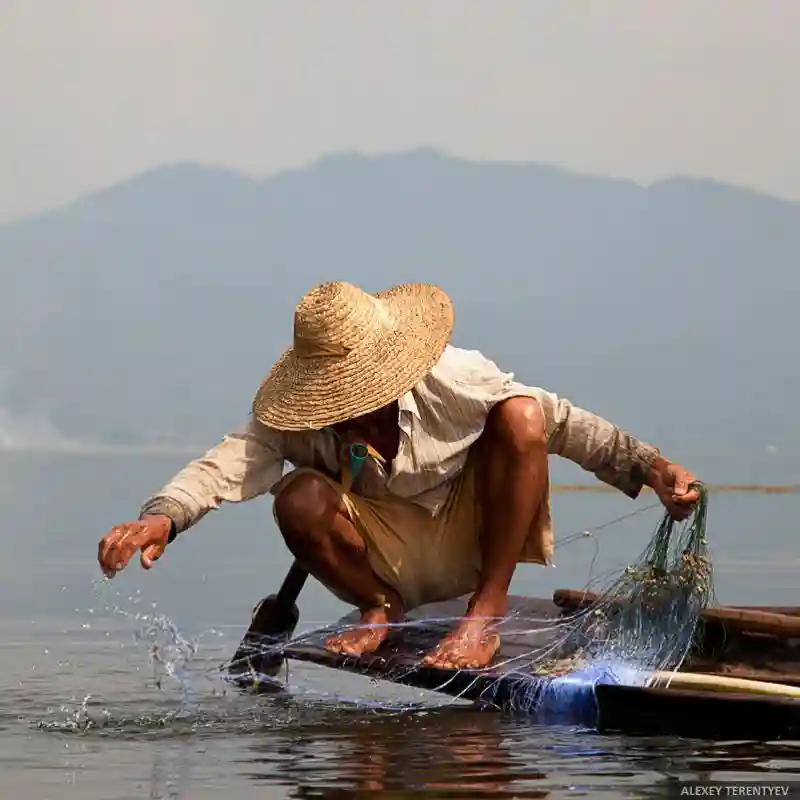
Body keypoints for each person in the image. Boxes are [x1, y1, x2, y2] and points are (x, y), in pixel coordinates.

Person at [97, 281, 700, 670]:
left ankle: (482, 619)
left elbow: (565, 423)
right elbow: (226, 463)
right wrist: (161, 518)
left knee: (522, 419)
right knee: (298, 498)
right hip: (382, 558)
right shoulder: (300, 418)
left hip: (474, 540)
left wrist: (653, 468)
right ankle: (376, 611)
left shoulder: (455, 378)